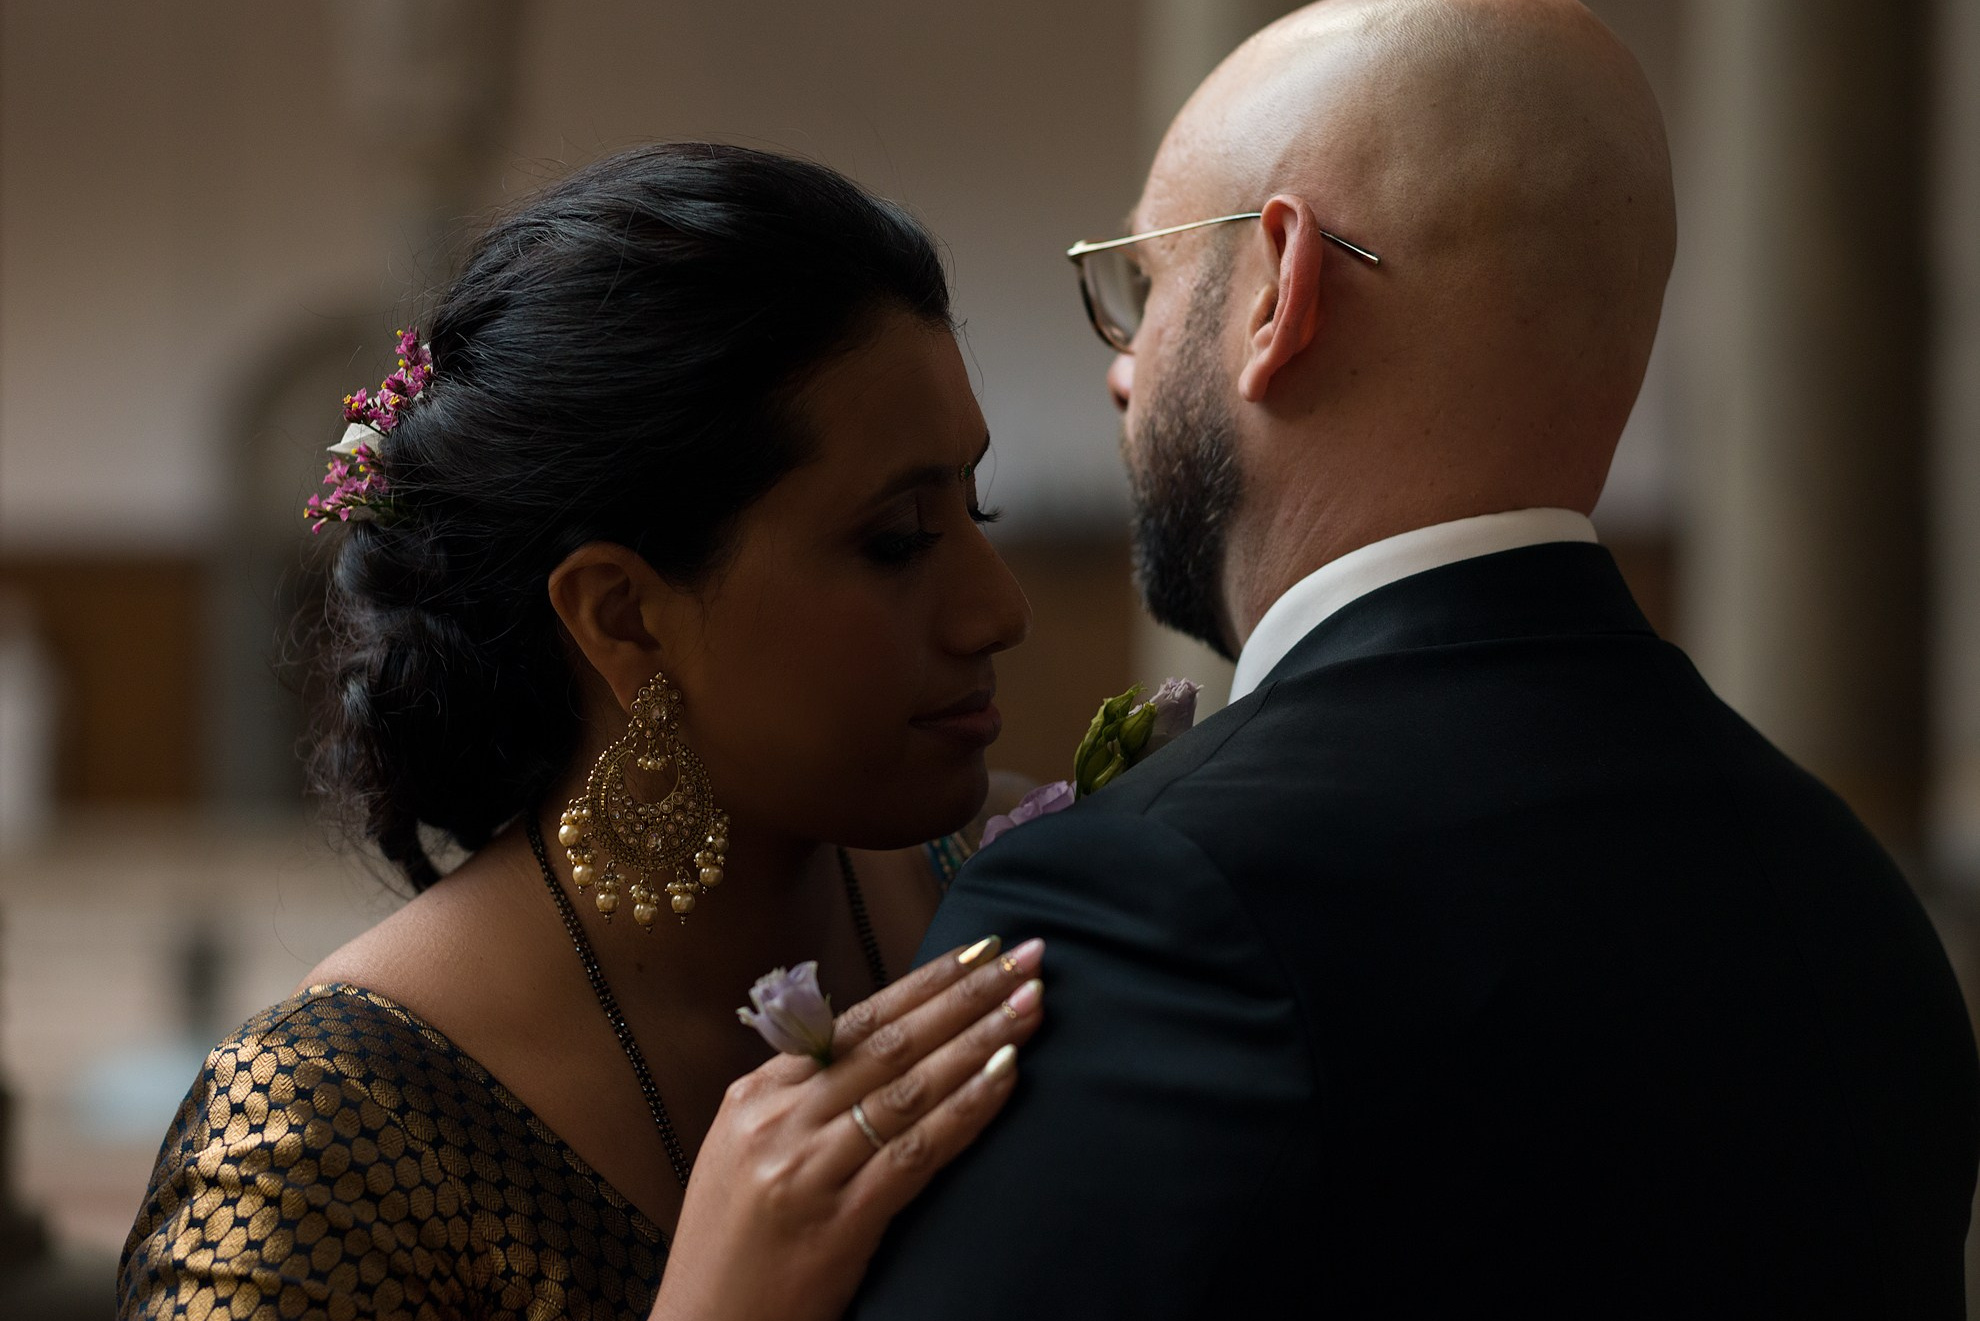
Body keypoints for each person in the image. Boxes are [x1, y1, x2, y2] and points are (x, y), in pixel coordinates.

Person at [850, 1, 1980, 1316]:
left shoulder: (1154, 908)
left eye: (1143, 290)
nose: (1124, 371)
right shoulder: (1851, 896)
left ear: (1280, 289)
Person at [118, 143, 1045, 1321]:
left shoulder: (1007, 890)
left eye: (980, 506)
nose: (1000, 608)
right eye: (902, 539)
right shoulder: (326, 1140)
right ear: (622, 615)